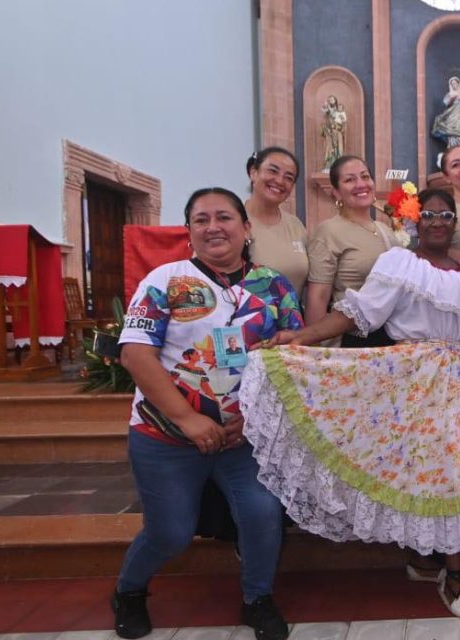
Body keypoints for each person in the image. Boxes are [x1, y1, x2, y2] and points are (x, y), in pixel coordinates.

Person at [243, 188, 460, 621]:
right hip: (414, 381)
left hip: (459, 382)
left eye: (445, 214)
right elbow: (359, 314)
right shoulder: (399, 263)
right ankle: (452, 574)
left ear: (455, 222)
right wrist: (298, 337)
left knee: (449, 474)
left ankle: (429, 563)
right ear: (416, 220)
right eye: (429, 214)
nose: (437, 221)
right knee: (427, 472)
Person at [113, 187, 303, 640]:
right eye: (201, 219)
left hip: (243, 438)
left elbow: (292, 357)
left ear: (246, 227)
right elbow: (135, 356)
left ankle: (257, 598)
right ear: (189, 231)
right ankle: (129, 590)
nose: (213, 227)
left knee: (261, 517)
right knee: (171, 534)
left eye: (224, 217)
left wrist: (254, 418)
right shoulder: (164, 281)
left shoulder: (273, 286)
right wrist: (187, 419)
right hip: (166, 437)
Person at [306, 154, 403, 347]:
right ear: (336, 192)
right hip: (353, 338)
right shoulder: (329, 231)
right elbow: (318, 296)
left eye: (365, 176)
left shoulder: (385, 230)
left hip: (392, 337)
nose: (361, 184)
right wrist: (316, 351)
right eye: (350, 180)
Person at [244, 147, 309, 298]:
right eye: (273, 171)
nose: (280, 181)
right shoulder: (231, 220)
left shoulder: (295, 225)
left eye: (288, 178)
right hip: (243, 319)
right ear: (253, 172)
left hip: (292, 319)